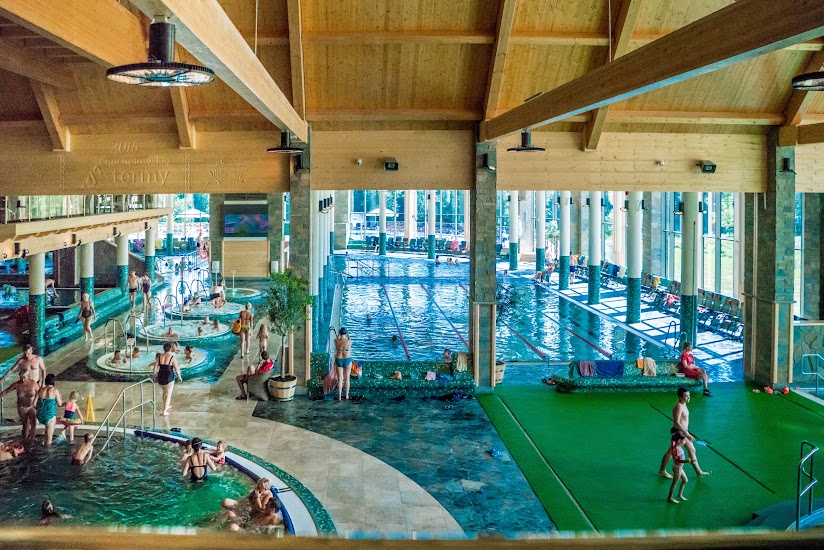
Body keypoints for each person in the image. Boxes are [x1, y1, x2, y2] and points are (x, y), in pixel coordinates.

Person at [659, 387, 710, 478]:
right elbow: (676, 423)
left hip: (682, 432)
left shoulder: (683, 404)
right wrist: (687, 434)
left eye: (689, 395)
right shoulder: (678, 406)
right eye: (686, 396)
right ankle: (698, 472)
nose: (688, 398)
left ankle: (662, 470)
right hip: (678, 433)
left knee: (672, 451)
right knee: (690, 450)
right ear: (680, 397)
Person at [153, 343, 182, 416]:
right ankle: (164, 411)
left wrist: (155, 376)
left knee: (165, 392)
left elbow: (155, 368)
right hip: (169, 377)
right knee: (168, 394)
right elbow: (177, 369)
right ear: (171, 349)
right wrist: (179, 377)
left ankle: (166, 406)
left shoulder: (159, 356)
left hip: (160, 376)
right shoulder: (172, 357)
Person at [36, 374, 63, 447]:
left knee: (46, 429)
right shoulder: (55, 390)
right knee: (49, 438)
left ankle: (42, 443)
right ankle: (47, 450)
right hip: (50, 415)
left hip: (40, 415)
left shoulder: (41, 390)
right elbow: (60, 404)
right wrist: (60, 397)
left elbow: (34, 403)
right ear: (54, 382)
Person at [667, 431, 691, 503]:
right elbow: (679, 461)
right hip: (678, 468)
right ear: (679, 440)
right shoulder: (677, 450)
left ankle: (679, 495)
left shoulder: (674, 444)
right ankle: (670, 497)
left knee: (685, 480)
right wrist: (688, 461)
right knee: (674, 483)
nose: (685, 442)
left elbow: (673, 438)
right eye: (684, 440)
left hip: (678, 467)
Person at [334, 327, 353, 401]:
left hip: (339, 359)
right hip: (347, 359)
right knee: (347, 378)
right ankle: (347, 396)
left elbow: (337, 343)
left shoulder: (336, 341)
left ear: (339, 333)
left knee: (340, 379)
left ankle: (339, 397)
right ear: (346, 333)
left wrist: (339, 336)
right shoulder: (349, 341)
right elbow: (349, 342)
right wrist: (348, 335)